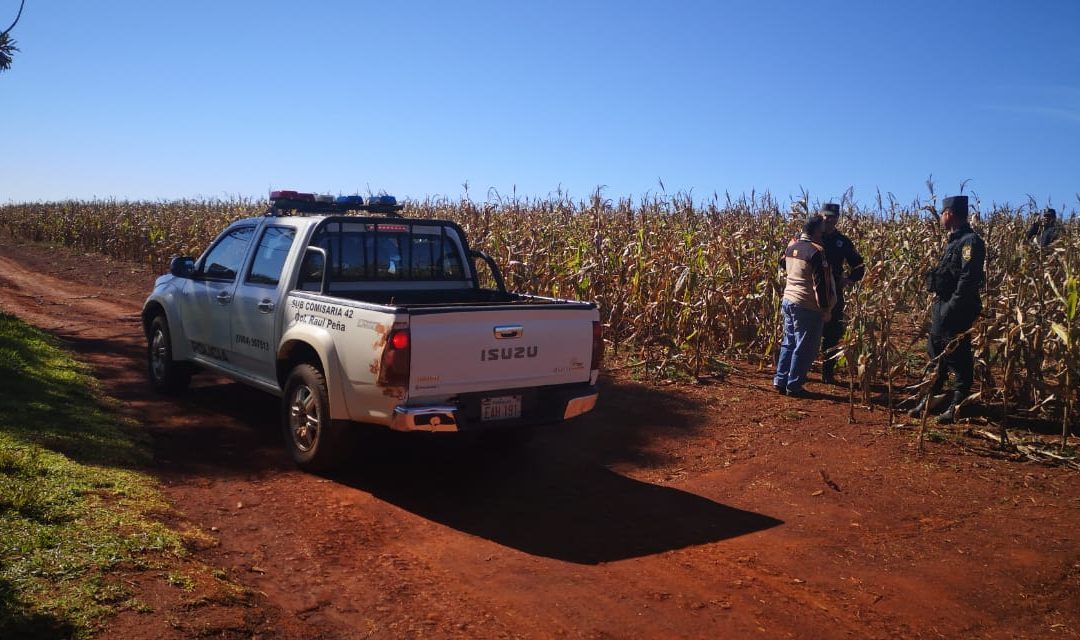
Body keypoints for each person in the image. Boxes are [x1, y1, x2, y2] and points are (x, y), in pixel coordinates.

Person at [909, 195, 985, 423]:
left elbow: (968, 278)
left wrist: (953, 307)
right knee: (936, 351)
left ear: (949, 213)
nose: (940, 218)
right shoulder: (954, 240)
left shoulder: (970, 242)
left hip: (957, 307)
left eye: (942, 213)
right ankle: (932, 397)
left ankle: (958, 405)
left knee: (958, 355)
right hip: (943, 304)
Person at [774, 214, 837, 398]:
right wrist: (826, 309)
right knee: (805, 346)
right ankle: (794, 385)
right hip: (806, 305)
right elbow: (821, 284)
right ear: (816, 230)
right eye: (822, 228)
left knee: (789, 341)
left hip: (788, 300)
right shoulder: (816, 251)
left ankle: (780, 379)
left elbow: (782, 264)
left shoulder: (792, 247)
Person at [818, 203, 865, 384]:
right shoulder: (810, 236)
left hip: (833, 293)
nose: (829, 220)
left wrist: (849, 279)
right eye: (826, 216)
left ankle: (827, 372)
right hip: (811, 293)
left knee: (832, 333)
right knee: (808, 331)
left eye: (833, 217)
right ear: (820, 216)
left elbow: (859, 266)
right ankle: (800, 370)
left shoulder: (842, 241)